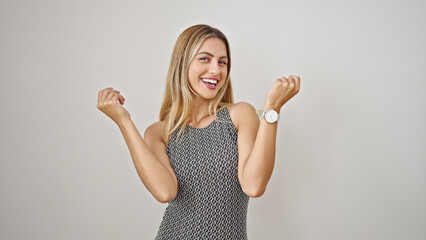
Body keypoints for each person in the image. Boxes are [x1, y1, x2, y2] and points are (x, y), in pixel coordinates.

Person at [96, 24, 300, 239]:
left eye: (223, 62)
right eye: (205, 59)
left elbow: (254, 185)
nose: (216, 70)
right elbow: (165, 192)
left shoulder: (239, 115)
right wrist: (124, 122)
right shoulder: (159, 133)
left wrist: (272, 110)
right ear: (183, 64)